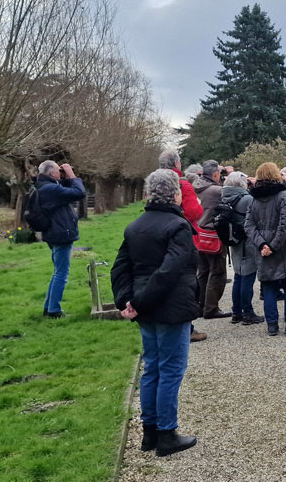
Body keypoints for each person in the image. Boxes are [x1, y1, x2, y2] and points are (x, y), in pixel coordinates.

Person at [111, 169, 198, 457]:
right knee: (170, 370)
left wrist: (127, 302)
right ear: (175, 194)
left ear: (148, 194)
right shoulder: (178, 226)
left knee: (153, 368)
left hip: (146, 308)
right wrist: (136, 303)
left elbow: (120, 269)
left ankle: (150, 432)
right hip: (169, 307)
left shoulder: (135, 226)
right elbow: (169, 271)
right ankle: (165, 434)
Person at [244, 162, 286, 337]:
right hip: (282, 247)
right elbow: (285, 224)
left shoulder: (253, 198)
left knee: (268, 285)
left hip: (265, 248)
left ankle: (272, 325)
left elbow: (248, 225)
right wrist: (272, 245)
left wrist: (262, 244)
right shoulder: (282, 195)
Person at [158, 149, 207, 342]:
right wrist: (198, 203)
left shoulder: (155, 183)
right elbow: (194, 213)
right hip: (184, 237)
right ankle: (187, 327)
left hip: (160, 237)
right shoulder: (182, 185)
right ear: (177, 164)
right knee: (187, 284)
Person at [35, 160, 86, 318]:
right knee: (61, 274)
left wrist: (64, 177)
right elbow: (79, 193)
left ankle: (48, 307)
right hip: (60, 234)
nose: (60, 173)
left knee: (57, 272)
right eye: (58, 170)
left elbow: (67, 190)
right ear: (51, 174)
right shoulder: (50, 189)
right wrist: (72, 175)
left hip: (54, 233)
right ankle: (54, 310)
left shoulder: (46, 187)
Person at [221, 172, 262, 324]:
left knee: (238, 276)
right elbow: (257, 217)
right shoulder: (247, 199)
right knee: (248, 277)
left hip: (235, 240)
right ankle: (248, 313)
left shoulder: (225, 195)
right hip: (248, 241)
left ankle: (236, 312)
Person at [194, 160, 231, 319]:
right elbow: (232, 194)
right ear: (215, 174)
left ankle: (201, 305)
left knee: (202, 272)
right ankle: (211, 308)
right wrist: (229, 176)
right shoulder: (216, 191)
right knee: (217, 272)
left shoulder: (195, 186)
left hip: (198, 234)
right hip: (213, 235)